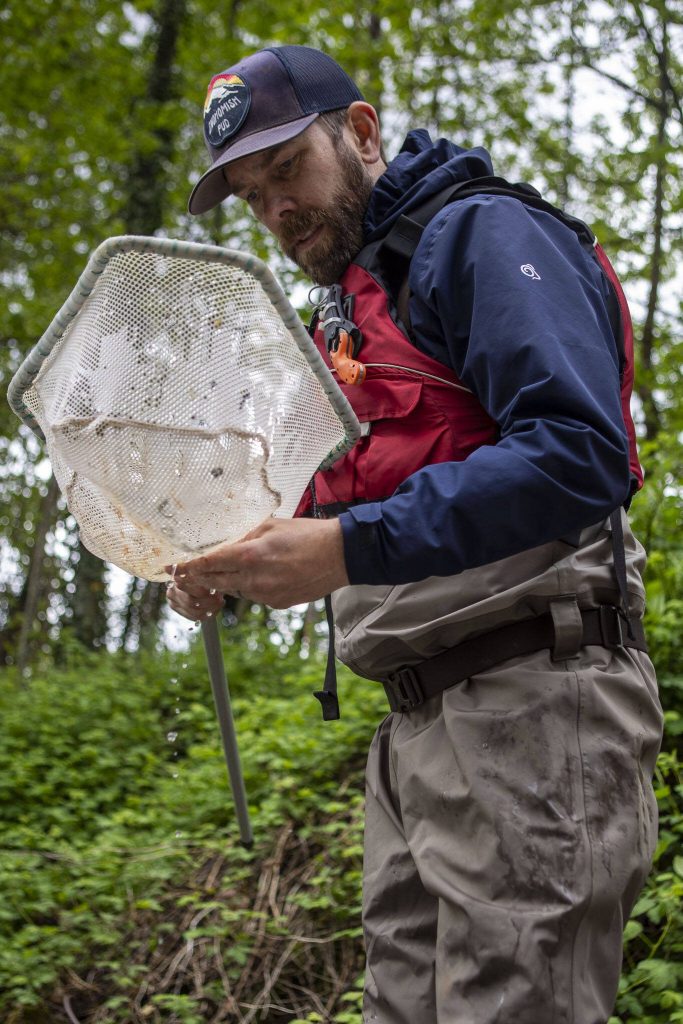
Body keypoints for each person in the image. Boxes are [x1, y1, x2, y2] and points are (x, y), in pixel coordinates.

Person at [167, 44, 663, 1024]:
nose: (276, 211)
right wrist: (224, 562)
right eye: (251, 196)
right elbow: (341, 505)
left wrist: (344, 551)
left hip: (530, 698)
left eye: (286, 171)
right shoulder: (350, 318)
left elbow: (579, 451)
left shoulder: (473, 234)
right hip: (413, 727)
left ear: (358, 134)